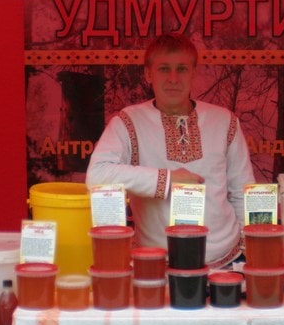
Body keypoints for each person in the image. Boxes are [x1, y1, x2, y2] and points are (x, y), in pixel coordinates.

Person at [86, 33, 255, 268]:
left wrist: (249, 250)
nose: (173, 78)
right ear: (148, 74)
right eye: (164, 69)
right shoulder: (128, 121)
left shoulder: (224, 121)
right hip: (156, 264)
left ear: (193, 73)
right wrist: (166, 180)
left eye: (182, 69)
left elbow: (243, 192)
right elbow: (97, 175)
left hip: (226, 260)